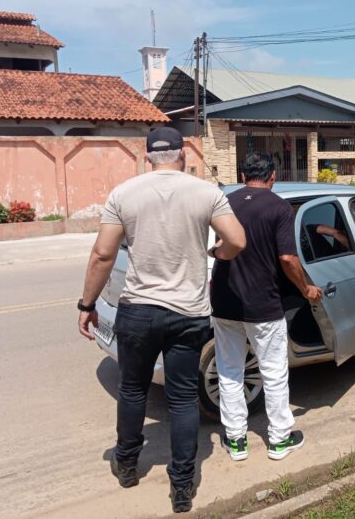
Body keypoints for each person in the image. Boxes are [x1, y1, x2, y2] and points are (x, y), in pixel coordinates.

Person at [77, 126, 246, 513]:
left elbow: (103, 255)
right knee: (184, 398)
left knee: (133, 390)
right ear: (184, 155)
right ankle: (183, 486)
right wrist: (218, 254)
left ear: (147, 155)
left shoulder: (124, 193)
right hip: (188, 313)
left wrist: (87, 305)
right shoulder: (206, 192)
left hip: (138, 310)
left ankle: (127, 465)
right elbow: (237, 240)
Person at [211, 152, 322, 462]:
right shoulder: (279, 207)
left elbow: (214, 247)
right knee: (273, 373)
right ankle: (279, 440)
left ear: (243, 175)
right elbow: (287, 258)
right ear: (272, 175)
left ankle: (235, 441)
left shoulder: (224, 202)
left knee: (230, 371)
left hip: (224, 301)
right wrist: (306, 289)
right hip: (262, 303)